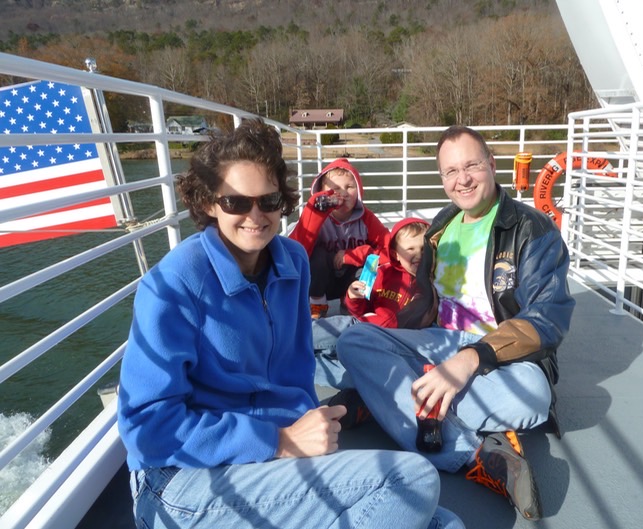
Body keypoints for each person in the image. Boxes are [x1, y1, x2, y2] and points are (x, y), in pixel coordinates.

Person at [117, 119, 465, 529]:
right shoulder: (174, 283)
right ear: (210, 203)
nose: (255, 215)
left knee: (442, 523)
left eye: (268, 201)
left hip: (271, 459)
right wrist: (280, 441)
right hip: (182, 479)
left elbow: (297, 373)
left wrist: (307, 435)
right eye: (236, 203)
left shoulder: (292, 263)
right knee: (413, 480)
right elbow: (146, 429)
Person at [336, 125, 575, 521]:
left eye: (472, 166)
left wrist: (466, 362)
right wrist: (385, 329)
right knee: (354, 341)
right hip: (437, 343)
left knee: (534, 394)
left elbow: (548, 318)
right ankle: (478, 454)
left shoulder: (532, 230)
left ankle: (388, 398)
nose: (462, 179)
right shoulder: (441, 227)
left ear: (492, 165)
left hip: (500, 358)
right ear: (443, 178)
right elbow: (425, 305)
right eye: (450, 171)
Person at [313, 217, 429, 390]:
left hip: (387, 341)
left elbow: (413, 320)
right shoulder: (383, 272)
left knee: (353, 370)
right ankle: (284, 345)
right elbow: (359, 310)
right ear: (396, 253)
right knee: (325, 332)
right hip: (361, 327)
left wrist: (383, 322)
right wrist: (353, 297)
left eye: (423, 248)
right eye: (410, 248)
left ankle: (290, 361)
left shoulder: (429, 283)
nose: (418, 254)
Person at [289, 157, 389, 319]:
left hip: (351, 281)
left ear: (359, 190)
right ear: (322, 192)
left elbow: (389, 249)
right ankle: (318, 305)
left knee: (371, 263)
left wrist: (355, 255)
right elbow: (295, 253)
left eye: (349, 187)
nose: (343, 193)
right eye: (335, 188)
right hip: (322, 282)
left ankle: (351, 303)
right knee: (317, 256)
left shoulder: (367, 218)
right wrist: (313, 214)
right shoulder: (317, 217)